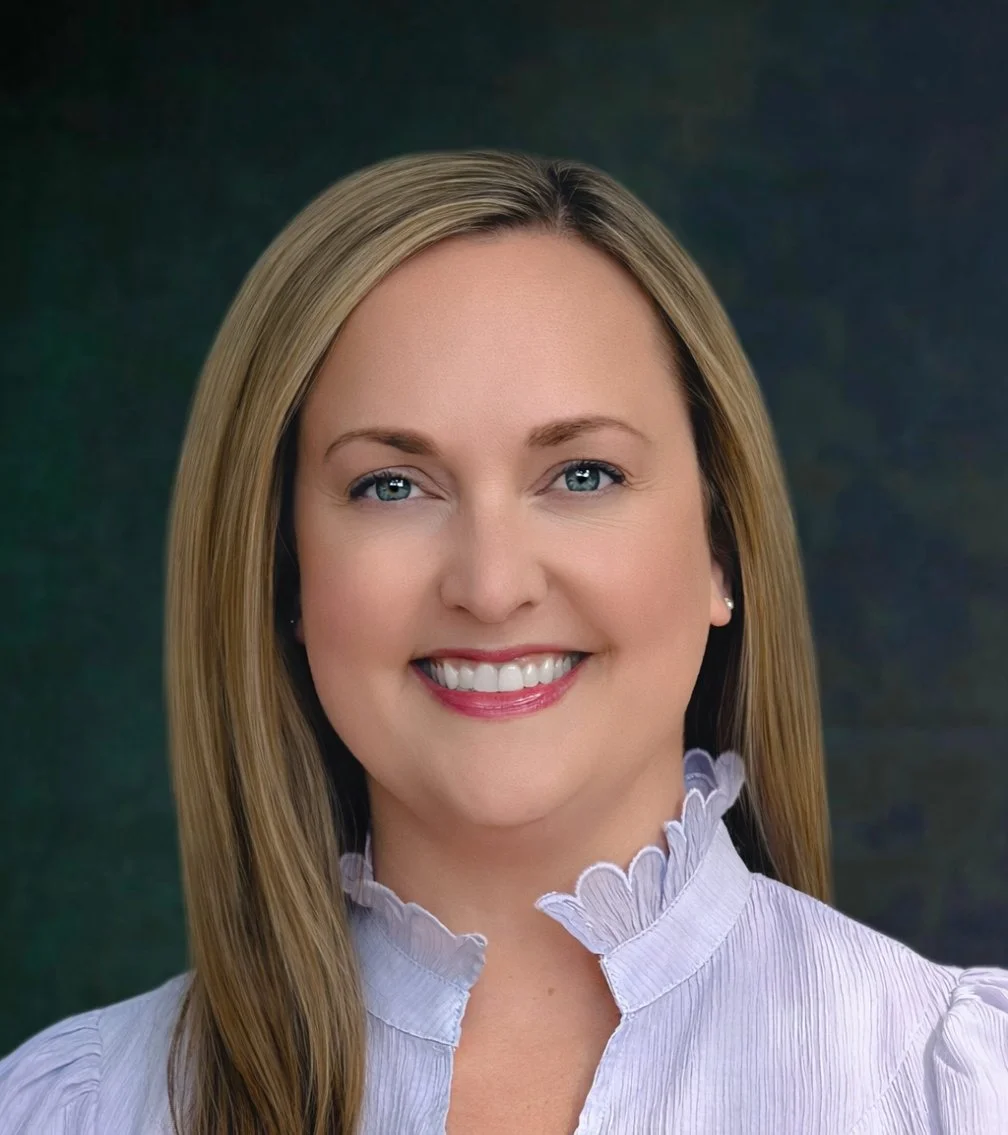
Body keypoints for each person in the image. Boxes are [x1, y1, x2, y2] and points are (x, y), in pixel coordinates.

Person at [1, 149, 1005, 1135]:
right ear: (285, 575)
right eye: (391, 486)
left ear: (721, 550)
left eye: (582, 475)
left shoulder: (959, 1094)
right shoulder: (71, 1112)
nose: (490, 586)